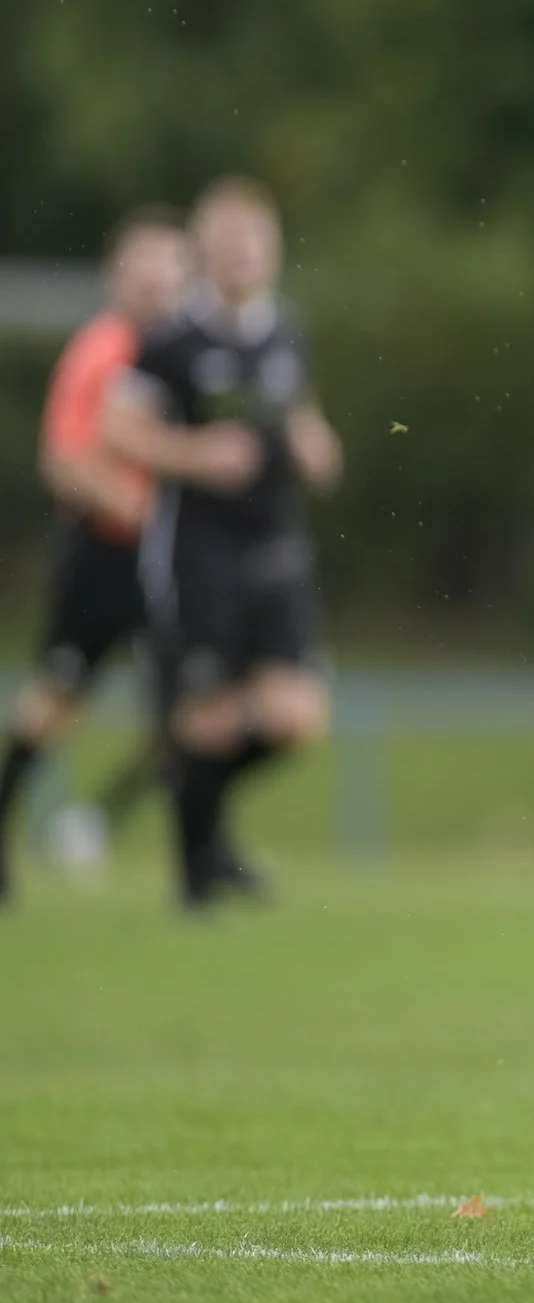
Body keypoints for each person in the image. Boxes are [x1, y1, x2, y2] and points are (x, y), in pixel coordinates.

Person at [104, 178, 342, 908]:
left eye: (253, 240)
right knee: (206, 717)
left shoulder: (284, 333)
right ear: (204, 250)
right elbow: (118, 430)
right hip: (197, 550)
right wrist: (194, 455)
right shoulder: (171, 339)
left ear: (273, 249)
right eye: (228, 240)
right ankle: (197, 876)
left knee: (296, 717)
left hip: (274, 548)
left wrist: (317, 447)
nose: (241, 253)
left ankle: (200, 825)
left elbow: (300, 416)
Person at [0, 210, 191, 903]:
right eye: (144, 263)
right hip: (104, 557)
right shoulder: (101, 351)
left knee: (191, 708)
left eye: (169, 264)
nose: (156, 278)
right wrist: (143, 511)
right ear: (117, 275)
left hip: (173, 562)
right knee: (57, 699)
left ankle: (179, 848)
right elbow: (65, 460)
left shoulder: (187, 353)